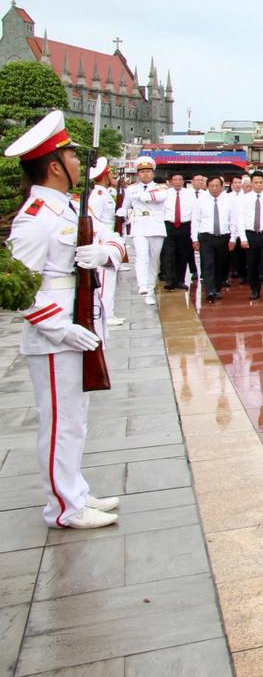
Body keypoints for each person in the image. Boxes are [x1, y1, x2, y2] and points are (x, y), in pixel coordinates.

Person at [5, 111, 125, 529]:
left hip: (80, 325)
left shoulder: (70, 207)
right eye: (72, 156)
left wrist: (104, 253)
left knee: (75, 420)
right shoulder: (36, 218)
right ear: (55, 166)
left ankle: (74, 490)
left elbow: (114, 238)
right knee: (60, 422)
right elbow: (19, 288)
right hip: (57, 336)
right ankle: (63, 508)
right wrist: (62, 328)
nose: (78, 162)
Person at [118, 156, 166, 306]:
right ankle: (143, 285)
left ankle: (150, 291)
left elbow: (159, 198)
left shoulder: (161, 188)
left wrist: (140, 196)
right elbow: (125, 206)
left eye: (148, 171)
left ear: (152, 173)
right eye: (142, 171)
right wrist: (122, 213)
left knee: (154, 260)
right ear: (138, 173)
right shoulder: (130, 189)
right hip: (139, 226)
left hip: (156, 227)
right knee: (141, 255)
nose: (145, 174)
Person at [86, 158, 126, 327]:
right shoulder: (98, 195)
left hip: (110, 238)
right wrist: (104, 237)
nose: (113, 176)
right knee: (105, 281)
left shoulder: (105, 193)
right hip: (103, 241)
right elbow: (92, 220)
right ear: (105, 175)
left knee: (109, 280)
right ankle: (105, 315)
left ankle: (109, 312)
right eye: (110, 173)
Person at [234, 171, 263, 302]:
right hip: (251, 235)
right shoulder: (244, 199)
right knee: (252, 264)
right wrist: (243, 238)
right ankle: (255, 290)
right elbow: (240, 220)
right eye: (256, 182)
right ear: (251, 183)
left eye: (261, 182)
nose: (258, 185)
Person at [192, 175, 237, 303]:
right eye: (211, 186)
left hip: (224, 237)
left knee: (221, 264)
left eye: (217, 186)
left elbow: (233, 220)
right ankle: (210, 290)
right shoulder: (200, 201)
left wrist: (233, 238)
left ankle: (217, 288)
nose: (214, 188)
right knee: (208, 264)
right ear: (207, 187)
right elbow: (195, 220)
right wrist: (194, 238)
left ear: (222, 187)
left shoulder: (229, 201)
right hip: (206, 237)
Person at [162, 173, 196, 291]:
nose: (177, 182)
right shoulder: (166, 194)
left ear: (183, 181)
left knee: (183, 254)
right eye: (175, 180)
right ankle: (170, 280)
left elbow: (194, 210)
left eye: (180, 180)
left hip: (185, 226)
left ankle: (180, 280)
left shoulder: (190, 194)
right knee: (169, 254)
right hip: (169, 225)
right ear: (171, 181)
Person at [227, 174, 248, 284]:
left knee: (244, 253)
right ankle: (234, 270)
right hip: (231, 228)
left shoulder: (246, 196)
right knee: (233, 252)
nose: (237, 185)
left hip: (243, 228)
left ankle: (244, 274)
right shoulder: (227, 197)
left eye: (239, 183)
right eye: (235, 183)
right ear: (231, 185)